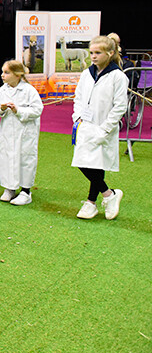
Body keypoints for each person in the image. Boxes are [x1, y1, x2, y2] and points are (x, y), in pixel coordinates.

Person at [72, 35, 128, 220]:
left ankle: (91, 202)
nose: (93, 56)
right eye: (91, 53)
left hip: (104, 126)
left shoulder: (118, 76)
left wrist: (105, 128)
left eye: (98, 53)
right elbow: (78, 97)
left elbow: (120, 105)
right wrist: (77, 117)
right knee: (83, 162)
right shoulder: (86, 74)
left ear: (110, 53)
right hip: (85, 124)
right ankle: (109, 194)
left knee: (97, 163)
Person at [0, 60, 44, 205]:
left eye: (7, 72)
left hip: (26, 132)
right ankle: (9, 188)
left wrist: (18, 110)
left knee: (25, 159)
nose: (3, 75)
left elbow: (37, 110)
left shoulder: (29, 90)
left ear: (18, 75)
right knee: (7, 158)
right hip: (7, 132)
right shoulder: (2, 90)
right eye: (2, 72)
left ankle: (26, 191)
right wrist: (1, 108)